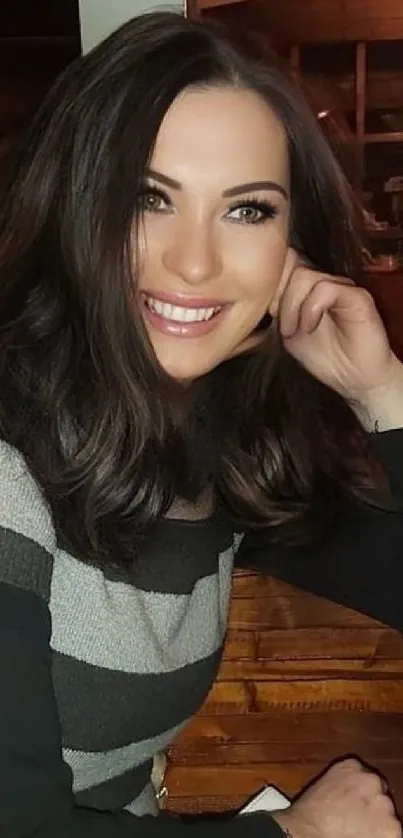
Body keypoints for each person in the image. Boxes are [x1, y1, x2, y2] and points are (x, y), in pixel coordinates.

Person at [0, 10, 401, 838]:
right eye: (147, 198)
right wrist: (298, 836)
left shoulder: (208, 435)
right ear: (73, 208)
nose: (194, 262)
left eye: (247, 211)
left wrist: (383, 394)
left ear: (294, 244)